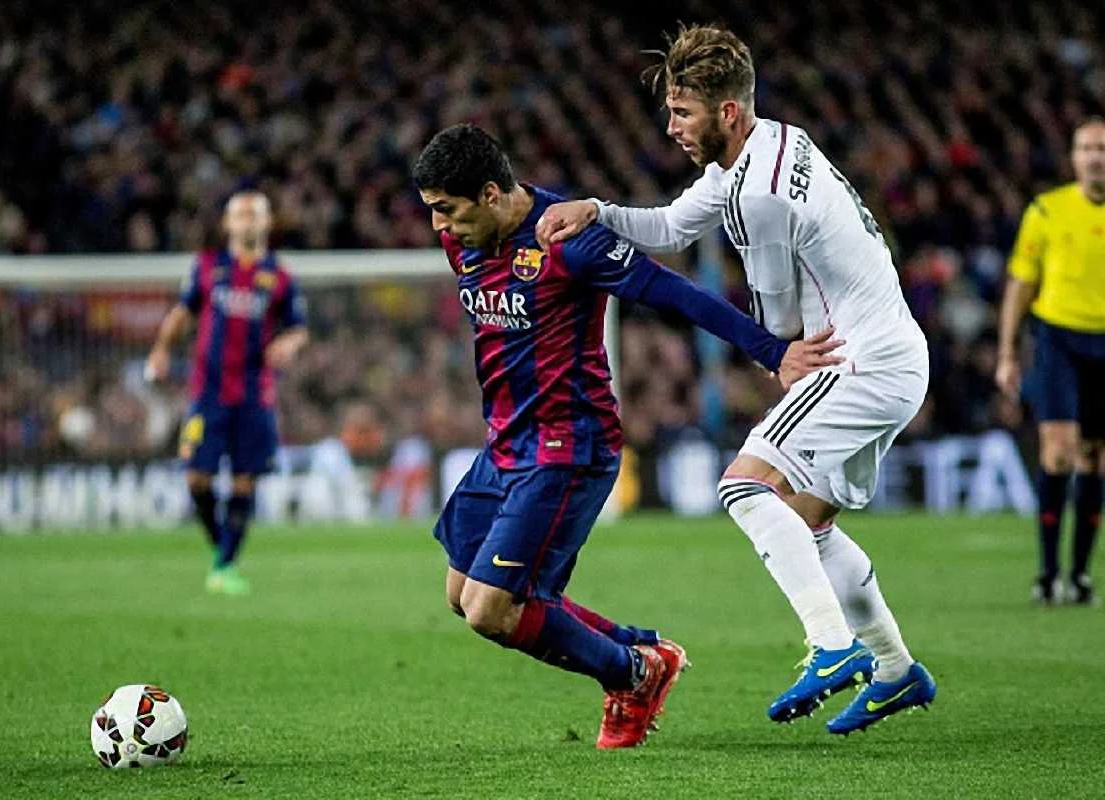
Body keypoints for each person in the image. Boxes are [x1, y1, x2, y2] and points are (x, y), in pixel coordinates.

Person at [536, 23, 936, 735]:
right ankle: (896, 670)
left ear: (726, 111)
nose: (671, 128)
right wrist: (597, 210)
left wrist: (776, 352)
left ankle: (832, 646)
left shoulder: (759, 195)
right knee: (809, 523)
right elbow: (671, 226)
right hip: (894, 353)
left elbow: (777, 319)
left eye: (682, 112)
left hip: (858, 361)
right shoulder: (771, 143)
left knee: (744, 487)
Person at [413, 123, 842, 748]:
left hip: (567, 447)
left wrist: (772, 351)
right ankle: (643, 651)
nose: (439, 227)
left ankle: (633, 675)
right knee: (461, 594)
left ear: (490, 193)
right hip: (504, 443)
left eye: (447, 210)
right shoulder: (465, 242)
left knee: (491, 608)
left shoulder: (568, 241)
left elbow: (674, 293)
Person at [146, 191, 308, 595]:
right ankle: (224, 550)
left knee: (243, 482)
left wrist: (288, 344)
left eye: (255, 213)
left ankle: (224, 565)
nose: (248, 219)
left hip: (255, 396)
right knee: (196, 479)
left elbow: (298, 328)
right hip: (208, 393)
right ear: (228, 223)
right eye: (241, 213)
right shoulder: (206, 267)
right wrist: (161, 349)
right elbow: (182, 312)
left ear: (267, 223)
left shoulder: (280, 276)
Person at [997, 118, 1105, 607]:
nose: (1094, 157)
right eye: (1086, 148)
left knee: (1094, 457)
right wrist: (1007, 353)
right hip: (1059, 339)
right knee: (1058, 452)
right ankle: (1046, 572)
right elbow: (1021, 284)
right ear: (1074, 157)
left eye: (1101, 148)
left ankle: (1079, 574)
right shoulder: (1046, 210)